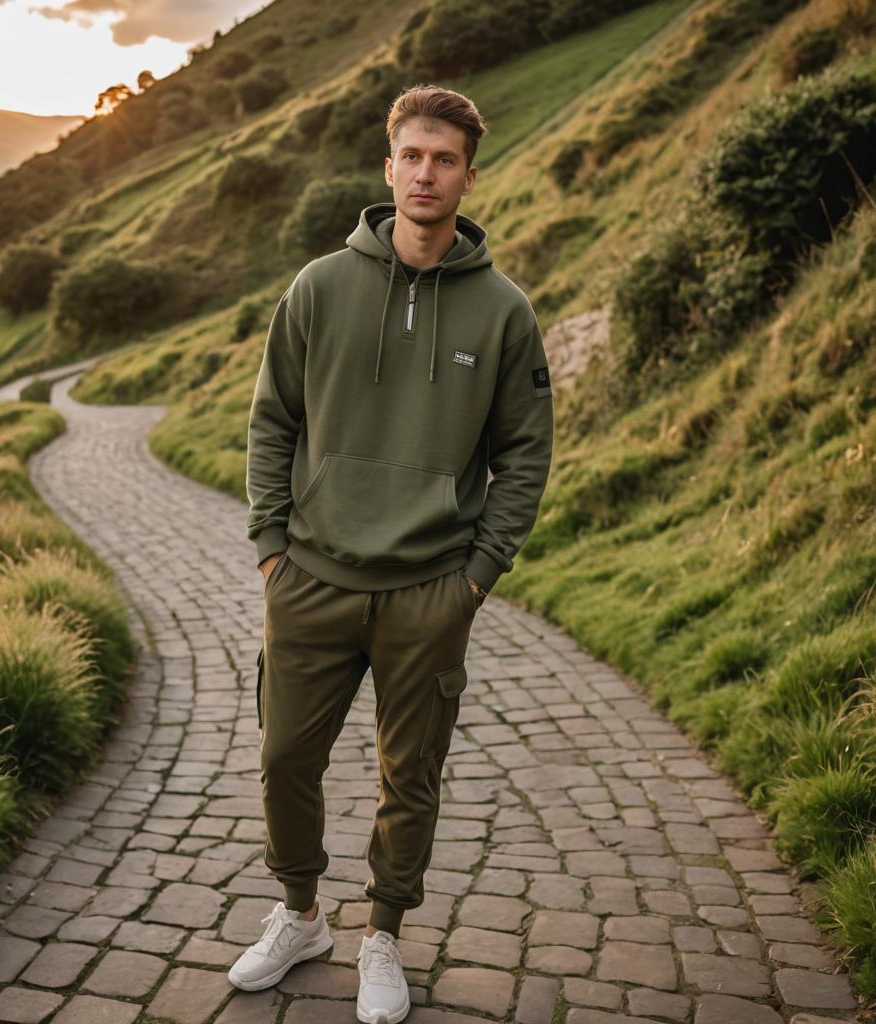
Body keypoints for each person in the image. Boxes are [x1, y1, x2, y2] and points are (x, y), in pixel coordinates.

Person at [234, 83, 554, 1023]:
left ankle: (383, 936)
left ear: (466, 174)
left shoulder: (504, 311)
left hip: (429, 591)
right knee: (286, 757)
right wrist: (268, 548)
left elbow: (526, 455)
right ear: (388, 167)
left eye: (445, 159)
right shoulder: (319, 287)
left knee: (407, 779)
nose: (427, 173)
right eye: (412, 155)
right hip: (311, 579)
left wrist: (476, 578)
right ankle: (300, 915)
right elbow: (271, 423)